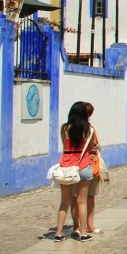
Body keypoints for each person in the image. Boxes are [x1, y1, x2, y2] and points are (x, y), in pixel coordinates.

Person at [54, 101, 97, 241]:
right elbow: (90, 148)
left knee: (65, 202)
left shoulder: (65, 129)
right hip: (83, 164)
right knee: (82, 201)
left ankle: (59, 233)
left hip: (67, 166)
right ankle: (83, 233)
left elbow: (65, 146)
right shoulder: (89, 130)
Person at [70, 102, 102, 236]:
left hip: (89, 164)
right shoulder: (76, 129)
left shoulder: (89, 129)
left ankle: (84, 225)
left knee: (85, 197)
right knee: (82, 198)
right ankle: (81, 226)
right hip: (84, 164)